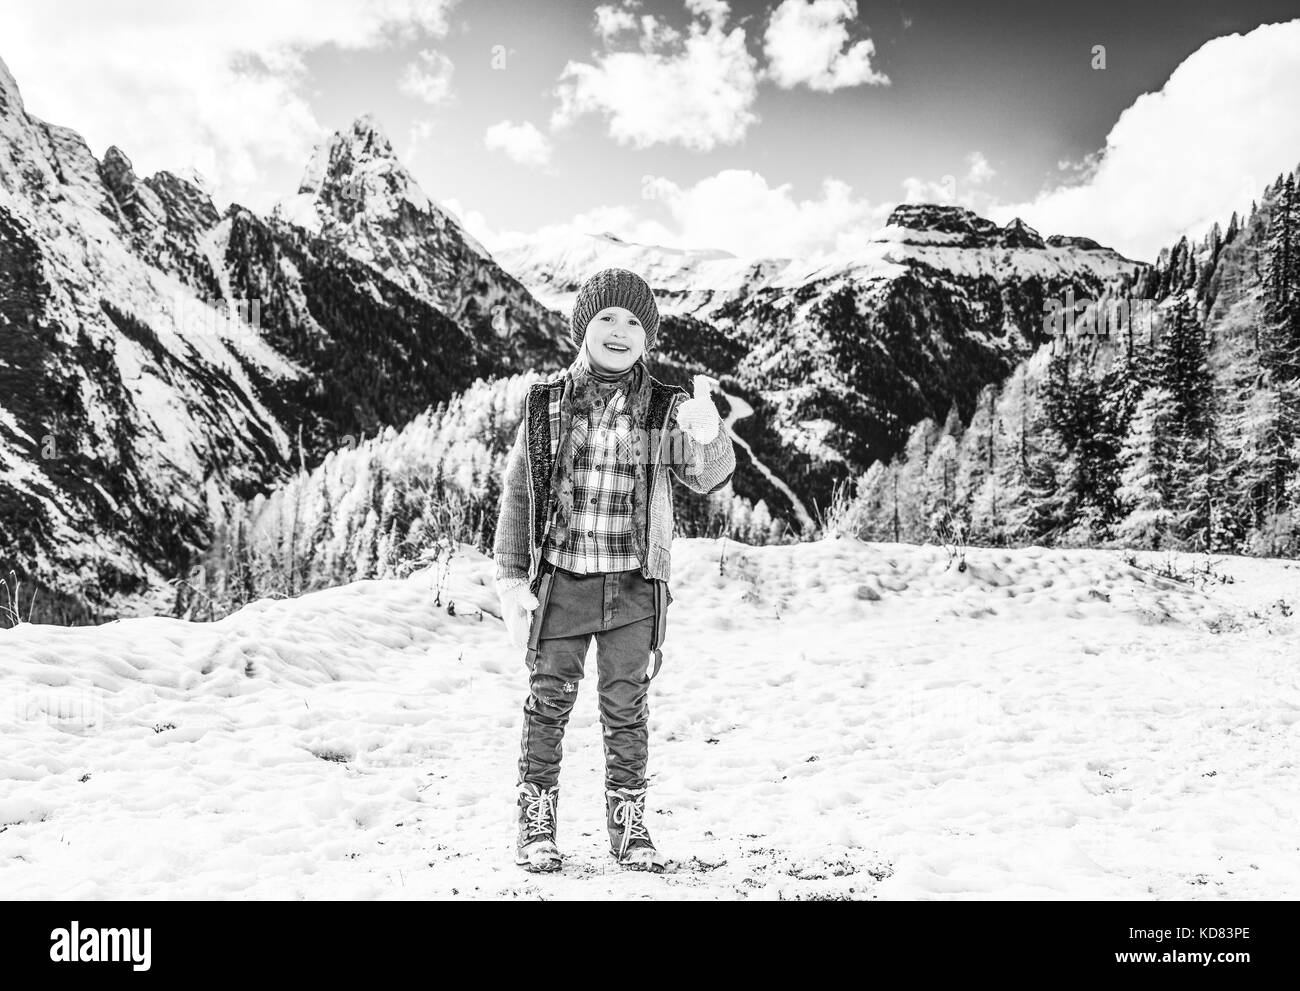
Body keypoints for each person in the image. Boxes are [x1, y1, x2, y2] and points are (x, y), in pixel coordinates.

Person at [492, 267, 736, 872]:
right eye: (606, 318)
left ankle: (629, 826)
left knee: (626, 706)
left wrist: (708, 434)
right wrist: (509, 578)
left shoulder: (665, 407)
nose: (619, 330)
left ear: (647, 337)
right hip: (562, 580)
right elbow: (518, 493)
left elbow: (705, 474)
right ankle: (536, 817)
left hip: (634, 587)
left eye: (633, 321)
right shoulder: (546, 405)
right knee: (547, 701)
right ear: (583, 329)